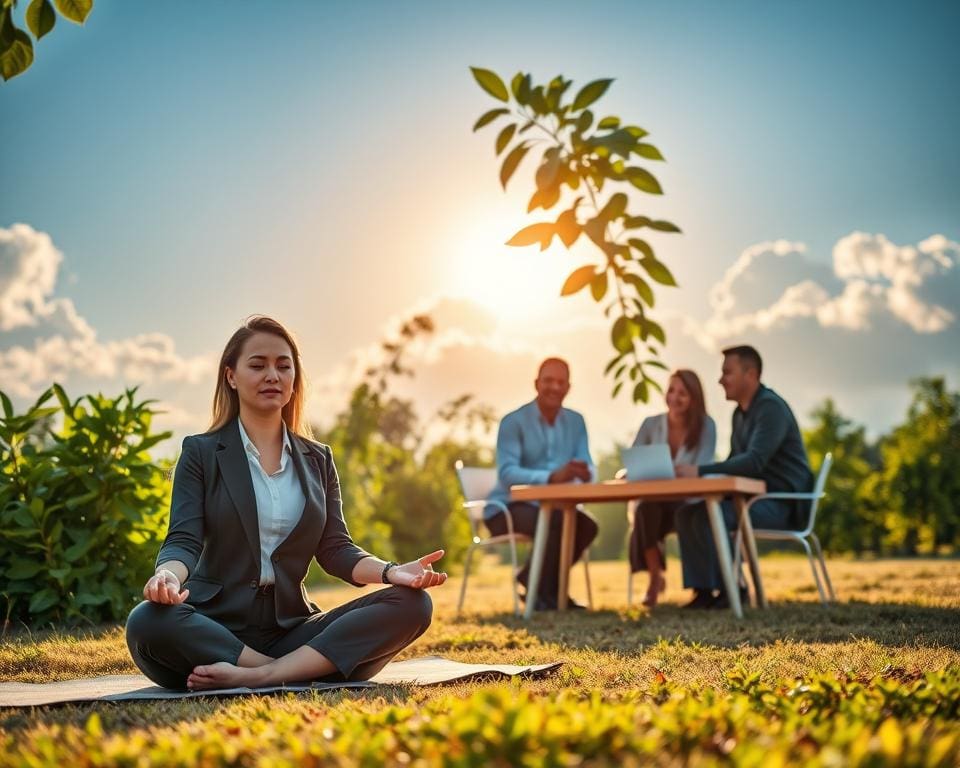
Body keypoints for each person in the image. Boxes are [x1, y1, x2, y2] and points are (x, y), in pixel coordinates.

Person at [125, 316, 447, 691]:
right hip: (214, 630)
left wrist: (392, 572)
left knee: (414, 605)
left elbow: (336, 549)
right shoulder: (200, 452)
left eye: (283, 365)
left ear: (294, 380)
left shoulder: (318, 458)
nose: (272, 376)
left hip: (293, 630)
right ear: (231, 376)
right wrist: (167, 575)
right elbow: (184, 539)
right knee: (147, 621)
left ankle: (265, 675)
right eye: (257, 365)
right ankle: (301, 669)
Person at [674, 345, 813, 609]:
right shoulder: (740, 414)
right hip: (753, 499)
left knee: (708, 515)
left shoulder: (770, 408)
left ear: (751, 375)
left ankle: (733, 589)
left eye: (727, 372)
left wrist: (700, 471)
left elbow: (753, 462)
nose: (720, 380)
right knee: (687, 513)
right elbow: (734, 463)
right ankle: (703, 591)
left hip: (782, 504)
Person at [485, 357, 599, 611]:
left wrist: (585, 472)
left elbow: (590, 466)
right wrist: (551, 477)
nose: (554, 387)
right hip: (506, 509)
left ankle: (540, 586)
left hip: (555, 507)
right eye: (548, 380)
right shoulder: (513, 422)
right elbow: (507, 473)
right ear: (536, 383)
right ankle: (544, 595)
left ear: (568, 387)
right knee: (555, 521)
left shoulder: (576, 422)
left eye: (561, 382)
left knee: (587, 526)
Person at [628, 370, 716, 608]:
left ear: (694, 399)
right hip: (655, 501)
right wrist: (630, 472)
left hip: (688, 501)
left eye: (682, 393)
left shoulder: (706, 427)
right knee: (645, 510)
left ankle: (700, 587)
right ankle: (655, 577)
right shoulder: (650, 424)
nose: (674, 397)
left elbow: (703, 466)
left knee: (677, 513)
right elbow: (633, 462)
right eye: (671, 390)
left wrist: (683, 471)